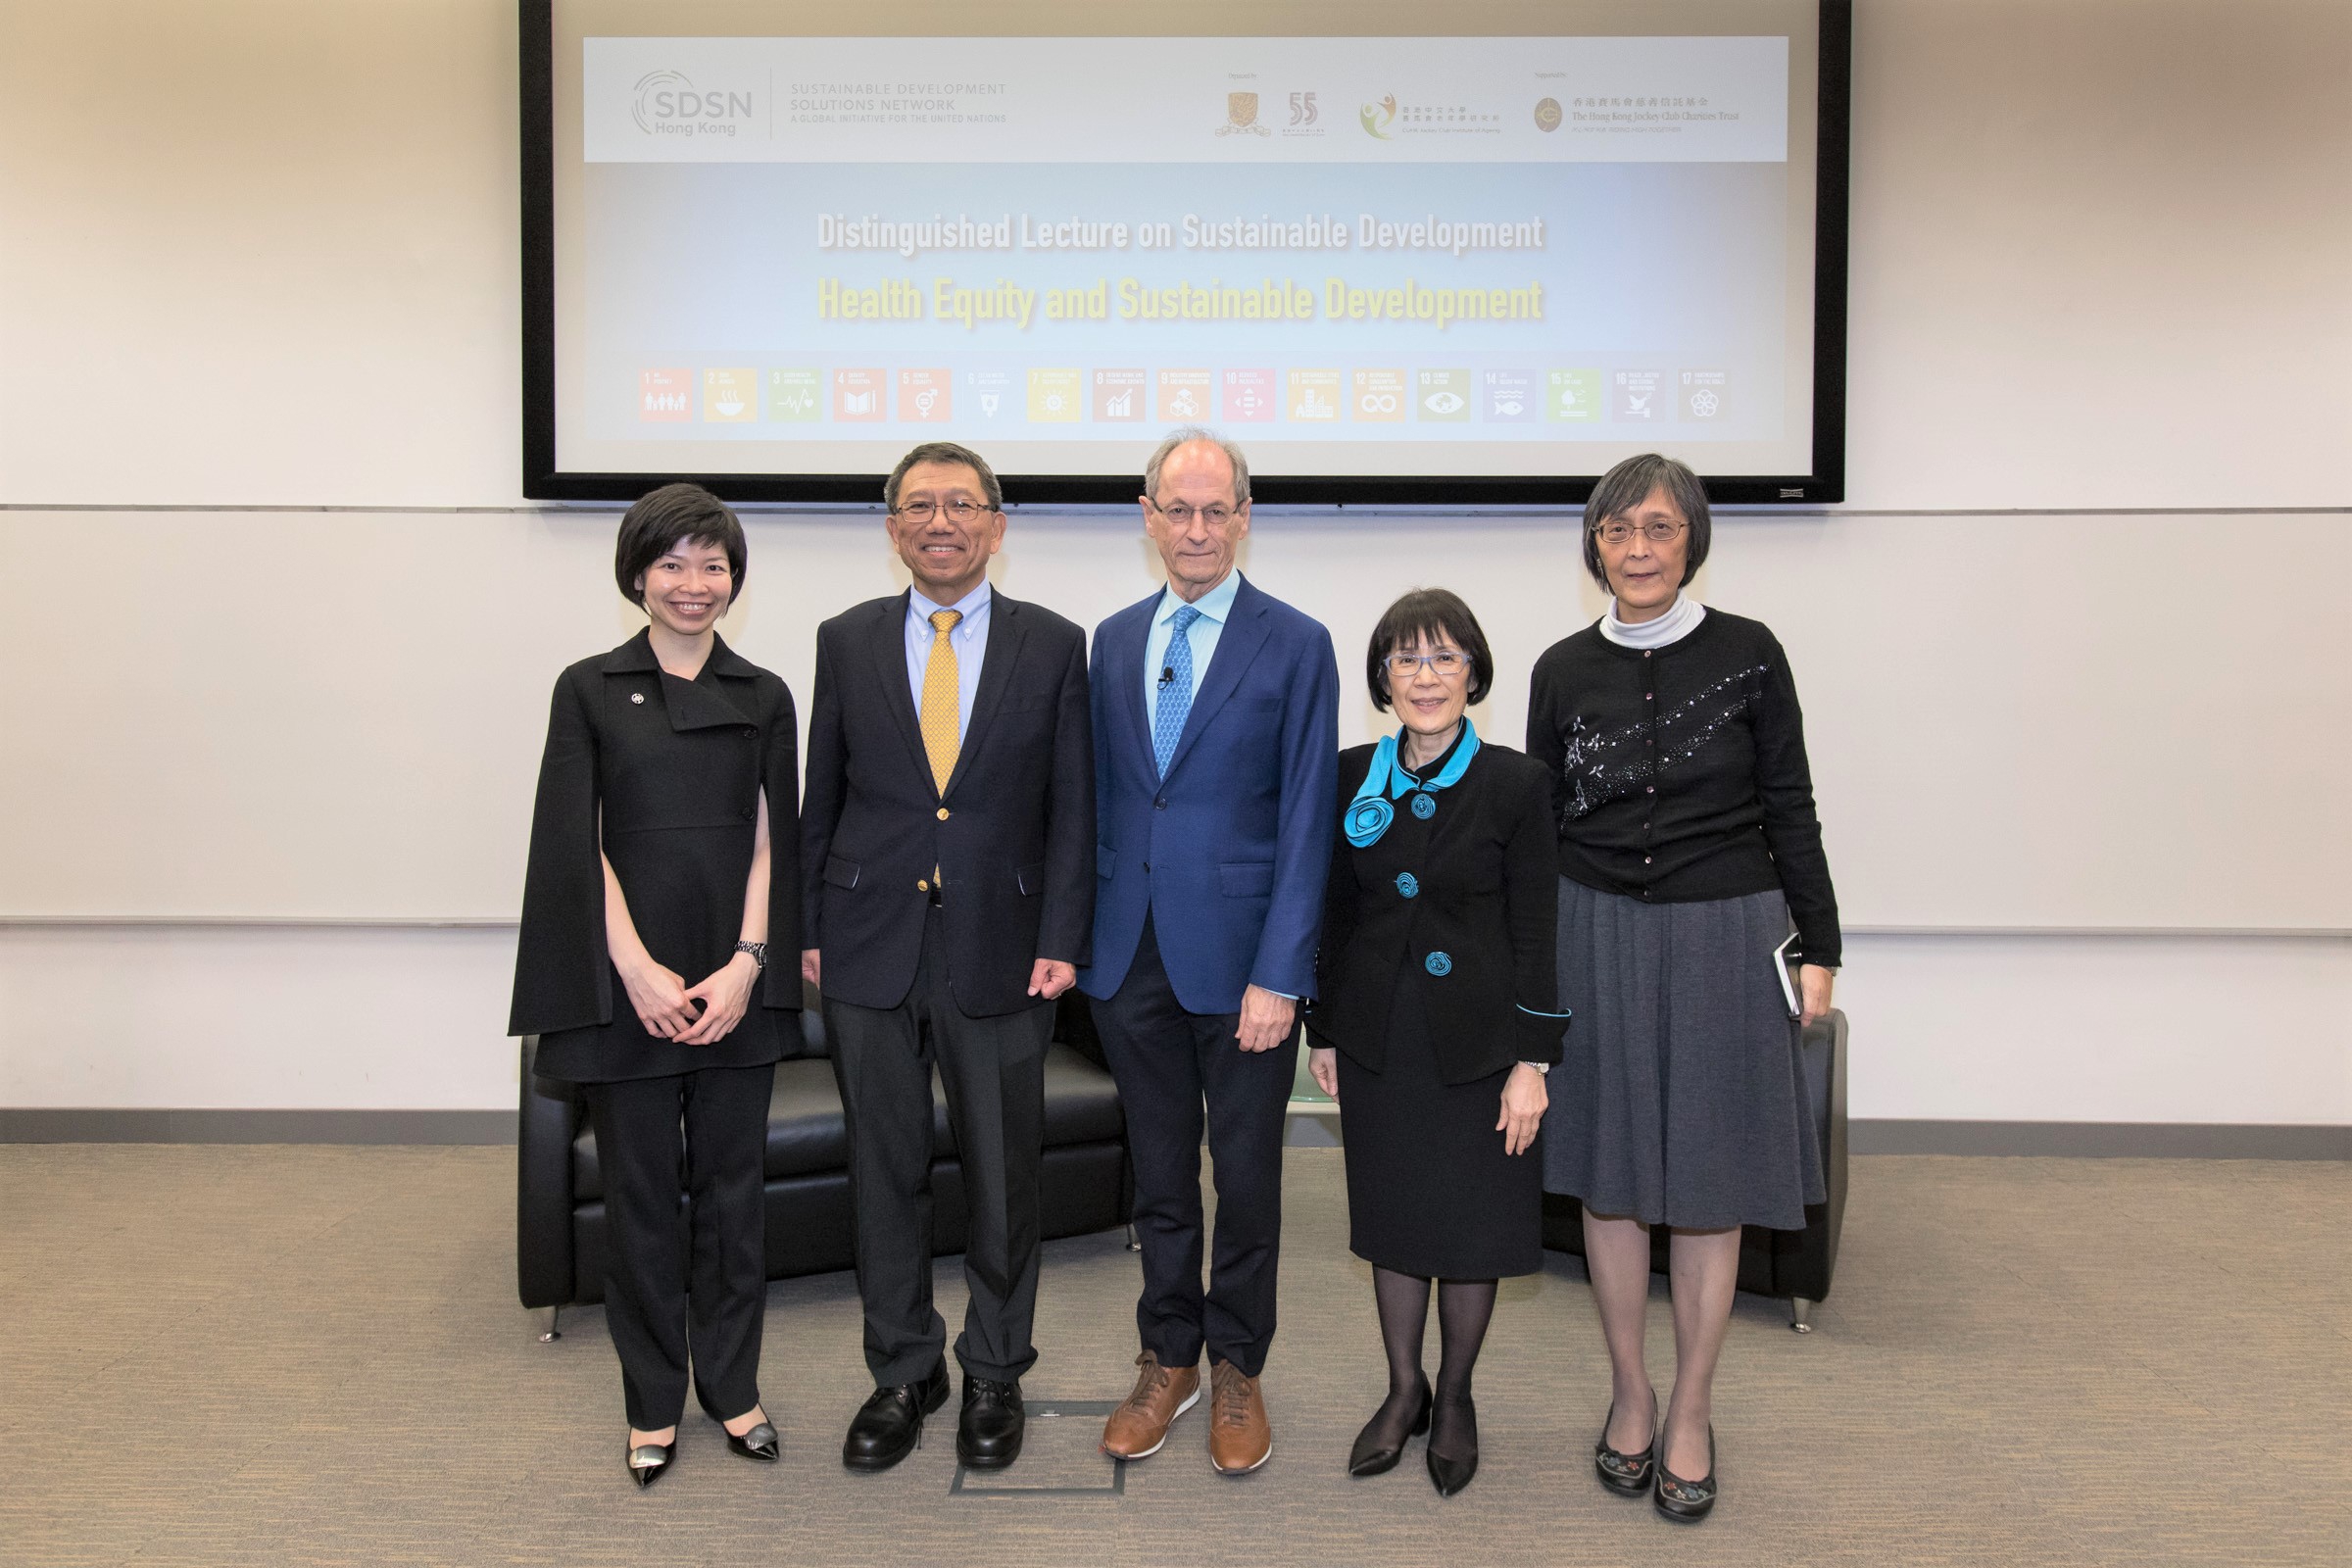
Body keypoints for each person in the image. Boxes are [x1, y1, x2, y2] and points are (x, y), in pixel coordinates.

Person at [1527, 452, 1841, 1523]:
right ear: (1595, 546)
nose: (1640, 549)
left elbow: (1789, 802)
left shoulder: (1751, 655)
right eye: (1619, 531)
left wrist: (1819, 945)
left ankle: (1694, 1406)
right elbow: (1541, 829)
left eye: (1660, 528)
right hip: (1593, 928)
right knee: (1610, 1174)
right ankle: (1630, 1392)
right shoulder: (1562, 667)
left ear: (1691, 539)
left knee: (1707, 1176)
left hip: (1725, 927)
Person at [800, 442, 1093, 1474]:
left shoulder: (1055, 646)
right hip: (869, 944)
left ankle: (996, 1367)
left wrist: (1064, 938)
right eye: (919, 505)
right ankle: (902, 1370)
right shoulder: (845, 641)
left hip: (1004, 953)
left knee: (1005, 1178)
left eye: (961, 504)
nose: (941, 521)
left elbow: (1072, 811)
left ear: (996, 524)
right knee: (882, 1171)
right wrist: (807, 928)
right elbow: (819, 797)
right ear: (892, 528)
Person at [508, 483, 802, 1489]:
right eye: (672, 563)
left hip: (731, 986)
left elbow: (775, 840)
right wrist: (632, 966)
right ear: (638, 573)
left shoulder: (765, 694)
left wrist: (746, 966)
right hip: (624, 983)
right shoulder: (587, 687)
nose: (694, 584)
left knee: (734, 1202)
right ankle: (650, 1403)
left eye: (713, 564)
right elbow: (573, 839)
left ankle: (733, 1387)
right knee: (640, 1202)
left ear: (735, 579)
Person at [1082, 427, 1339, 1475]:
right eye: (1176, 509)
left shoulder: (1298, 640)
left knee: (1247, 1175)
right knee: (1157, 1177)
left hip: (1243, 969)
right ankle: (1168, 1355)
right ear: (1148, 517)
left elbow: (1310, 816)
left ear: (1243, 517)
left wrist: (1283, 970)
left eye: (1215, 509)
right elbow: (1101, 797)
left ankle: (1239, 1363)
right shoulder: (1109, 638)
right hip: (1126, 954)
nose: (1195, 528)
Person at [1303, 590, 1567, 1497]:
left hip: (1482, 1045)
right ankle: (1403, 1388)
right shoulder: (1351, 776)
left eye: (1446, 658)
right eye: (1408, 659)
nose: (1426, 676)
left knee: (1471, 1223)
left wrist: (1534, 1062)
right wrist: (1324, 1029)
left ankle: (1455, 1395)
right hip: (1380, 1038)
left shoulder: (1516, 782)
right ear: (1383, 675)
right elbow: (1335, 913)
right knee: (1395, 1219)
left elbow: (1539, 929)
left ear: (1474, 675)